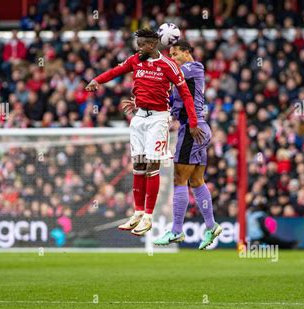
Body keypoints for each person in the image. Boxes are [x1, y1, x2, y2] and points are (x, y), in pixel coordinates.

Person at [85, 29, 204, 236]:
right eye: (137, 44)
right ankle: (138, 212)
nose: (138, 48)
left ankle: (149, 216)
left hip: (158, 118)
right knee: (138, 165)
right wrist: (97, 80)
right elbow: (115, 71)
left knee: (152, 164)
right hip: (139, 117)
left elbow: (185, 94)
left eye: (141, 45)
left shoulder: (168, 66)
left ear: (152, 45)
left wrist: (193, 122)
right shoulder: (135, 60)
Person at [128, 40, 221, 250]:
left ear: (187, 53)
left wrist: (153, 66)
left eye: (176, 54)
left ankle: (176, 231)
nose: (173, 58)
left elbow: (168, 74)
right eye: (171, 54)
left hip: (192, 129)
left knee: (179, 179)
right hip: (198, 129)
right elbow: (167, 98)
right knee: (196, 181)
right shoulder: (182, 77)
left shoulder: (193, 67)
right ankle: (211, 226)